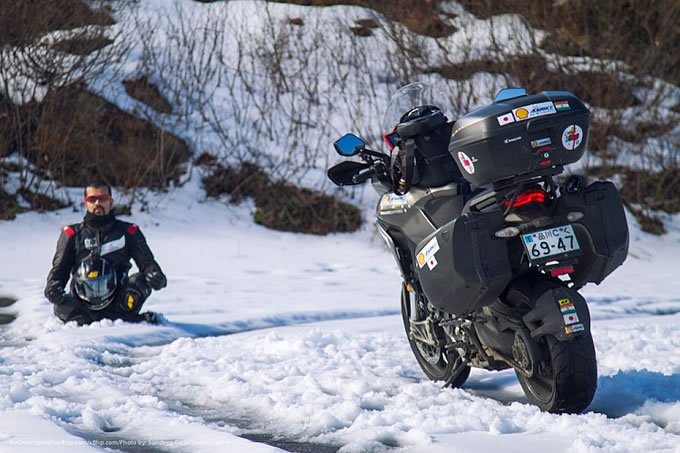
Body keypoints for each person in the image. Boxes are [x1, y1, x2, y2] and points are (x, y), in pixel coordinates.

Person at [44, 181, 167, 325]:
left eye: (102, 199)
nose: (97, 203)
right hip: (82, 305)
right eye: (92, 199)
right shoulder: (72, 234)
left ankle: (121, 320)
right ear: (85, 204)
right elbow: (59, 270)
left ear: (111, 202)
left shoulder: (128, 232)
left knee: (140, 281)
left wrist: (156, 277)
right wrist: (52, 287)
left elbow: (148, 264)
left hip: (120, 303)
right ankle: (116, 322)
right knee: (61, 305)